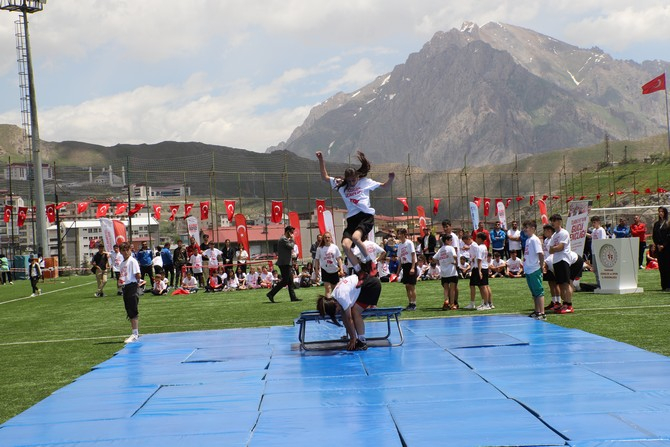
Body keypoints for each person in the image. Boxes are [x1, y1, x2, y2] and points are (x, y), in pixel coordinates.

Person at [316, 150, 394, 279]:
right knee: (345, 246)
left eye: (354, 180)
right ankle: (360, 271)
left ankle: (371, 263)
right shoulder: (341, 185)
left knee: (356, 238)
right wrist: (321, 159)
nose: (352, 182)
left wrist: (390, 179)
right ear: (346, 179)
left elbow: (385, 186)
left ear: (358, 177)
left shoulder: (365, 182)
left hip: (365, 216)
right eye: (350, 180)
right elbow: (325, 177)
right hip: (352, 219)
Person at [316, 263, 382, 351]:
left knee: (355, 311)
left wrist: (353, 338)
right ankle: (357, 339)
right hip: (364, 283)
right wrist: (352, 337)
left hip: (371, 285)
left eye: (336, 311)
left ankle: (362, 341)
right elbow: (345, 318)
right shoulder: (335, 296)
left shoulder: (341, 297)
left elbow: (349, 318)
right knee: (348, 311)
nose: (338, 312)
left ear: (335, 305)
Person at [266, 225, 302, 303]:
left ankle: (293, 297)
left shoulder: (285, 239)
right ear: (288, 232)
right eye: (291, 232)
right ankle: (271, 293)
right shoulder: (283, 239)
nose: (292, 234)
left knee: (290, 281)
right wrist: (292, 239)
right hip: (284, 263)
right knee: (285, 281)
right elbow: (291, 246)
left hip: (286, 263)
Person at [549, 214, 574, 313]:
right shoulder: (554, 235)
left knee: (565, 283)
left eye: (554, 221)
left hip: (563, 260)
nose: (552, 223)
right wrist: (555, 248)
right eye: (551, 221)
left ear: (559, 221)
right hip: (556, 260)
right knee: (561, 284)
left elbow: (561, 247)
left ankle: (569, 304)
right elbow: (550, 250)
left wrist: (554, 248)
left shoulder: (564, 233)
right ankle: (564, 304)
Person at [117, 242, 142, 343]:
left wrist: (137, 283)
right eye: (123, 250)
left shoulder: (132, 261)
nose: (125, 252)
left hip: (132, 286)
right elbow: (122, 275)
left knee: (133, 309)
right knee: (128, 309)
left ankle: (135, 333)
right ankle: (134, 332)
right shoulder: (122, 263)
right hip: (125, 287)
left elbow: (138, 274)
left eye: (127, 249)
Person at [523, 220, 546, 320]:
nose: (525, 229)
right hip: (528, 269)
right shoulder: (528, 240)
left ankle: (542, 312)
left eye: (527, 227)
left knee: (538, 291)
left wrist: (541, 266)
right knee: (534, 292)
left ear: (533, 228)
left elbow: (540, 253)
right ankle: (537, 311)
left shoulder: (534, 240)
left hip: (534, 269)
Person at [314, 231, 343, 298]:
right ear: (323, 239)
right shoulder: (320, 249)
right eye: (325, 237)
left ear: (331, 238)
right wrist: (317, 271)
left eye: (328, 237)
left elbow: (339, 259)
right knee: (328, 289)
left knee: (335, 289)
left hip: (334, 270)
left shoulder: (335, 247)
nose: (327, 239)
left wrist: (341, 269)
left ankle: (336, 304)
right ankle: (328, 305)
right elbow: (317, 260)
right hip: (325, 270)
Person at [434, 233, 458, 310]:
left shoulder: (440, 249)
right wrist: (455, 262)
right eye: (450, 240)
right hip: (451, 271)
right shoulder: (451, 248)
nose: (451, 241)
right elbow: (455, 256)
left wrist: (441, 263)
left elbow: (434, 258)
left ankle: (446, 301)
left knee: (446, 288)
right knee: (452, 288)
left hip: (444, 271)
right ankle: (452, 304)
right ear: (447, 240)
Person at [396, 228, 418, 311]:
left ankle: (414, 303)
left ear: (404, 234)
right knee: (407, 286)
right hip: (405, 266)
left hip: (410, 264)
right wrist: (398, 271)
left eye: (400, 233)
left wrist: (412, 267)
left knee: (411, 285)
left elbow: (413, 255)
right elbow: (400, 259)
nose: (398, 235)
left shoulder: (409, 243)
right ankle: (410, 303)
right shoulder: (400, 245)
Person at [652, 206, 670, 292]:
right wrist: (658, 245)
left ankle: (669, 286)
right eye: (659, 211)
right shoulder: (656, 224)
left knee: (668, 267)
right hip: (659, 249)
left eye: (662, 211)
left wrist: (664, 245)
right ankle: (664, 285)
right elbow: (654, 236)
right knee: (661, 267)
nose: (660, 213)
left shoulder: (668, 223)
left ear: (665, 213)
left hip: (667, 248)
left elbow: (669, 236)